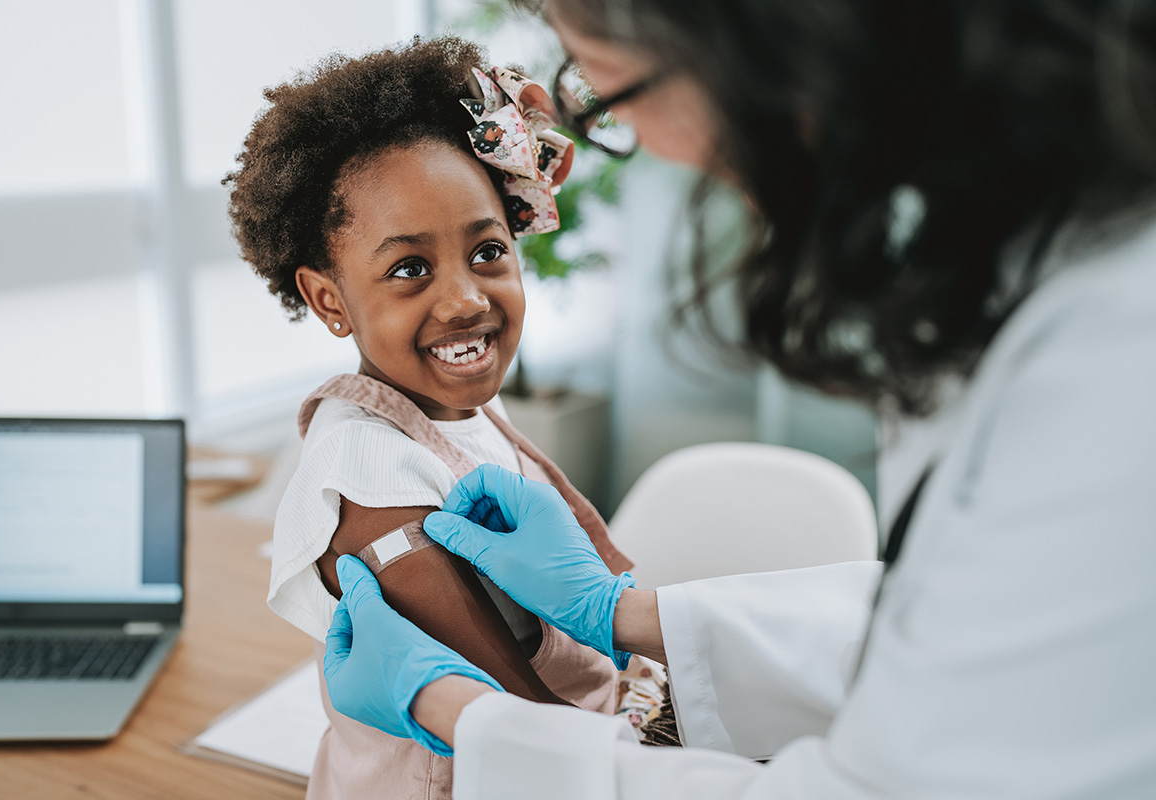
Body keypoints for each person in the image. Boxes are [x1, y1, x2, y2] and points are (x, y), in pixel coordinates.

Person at [321, 1, 1156, 797]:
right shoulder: (366, 460)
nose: (650, 146)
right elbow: (942, 629)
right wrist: (624, 614)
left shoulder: (1111, 371)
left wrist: (459, 713)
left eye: (610, 92)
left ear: (787, 51)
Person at [223, 36, 649, 799]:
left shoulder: (458, 408)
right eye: (409, 269)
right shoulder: (367, 465)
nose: (464, 300)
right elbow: (523, 731)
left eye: (488, 251)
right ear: (329, 299)